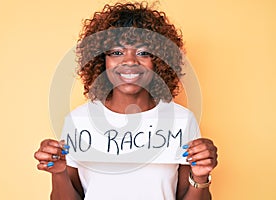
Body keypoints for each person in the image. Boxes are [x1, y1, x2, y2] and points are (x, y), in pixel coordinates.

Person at [34, 2, 218, 200]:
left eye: (143, 52)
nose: (130, 61)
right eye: (116, 52)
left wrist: (201, 175)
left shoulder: (181, 120)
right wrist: (58, 172)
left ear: (159, 60)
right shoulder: (79, 121)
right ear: (101, 61)